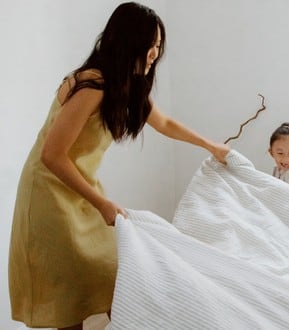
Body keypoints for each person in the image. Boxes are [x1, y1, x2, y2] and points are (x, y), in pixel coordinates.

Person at [8, 2, 229, 329]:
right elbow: (52, 156)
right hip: (49, 192)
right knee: (69, 293)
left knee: (115, 276)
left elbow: (164, 123)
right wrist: (101, 203)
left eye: (158, 46)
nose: (155, 53)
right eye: (149, 45)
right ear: (128, 42)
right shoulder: (92, 85)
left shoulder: (127, 84)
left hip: (80, 189)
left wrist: (210, 146)